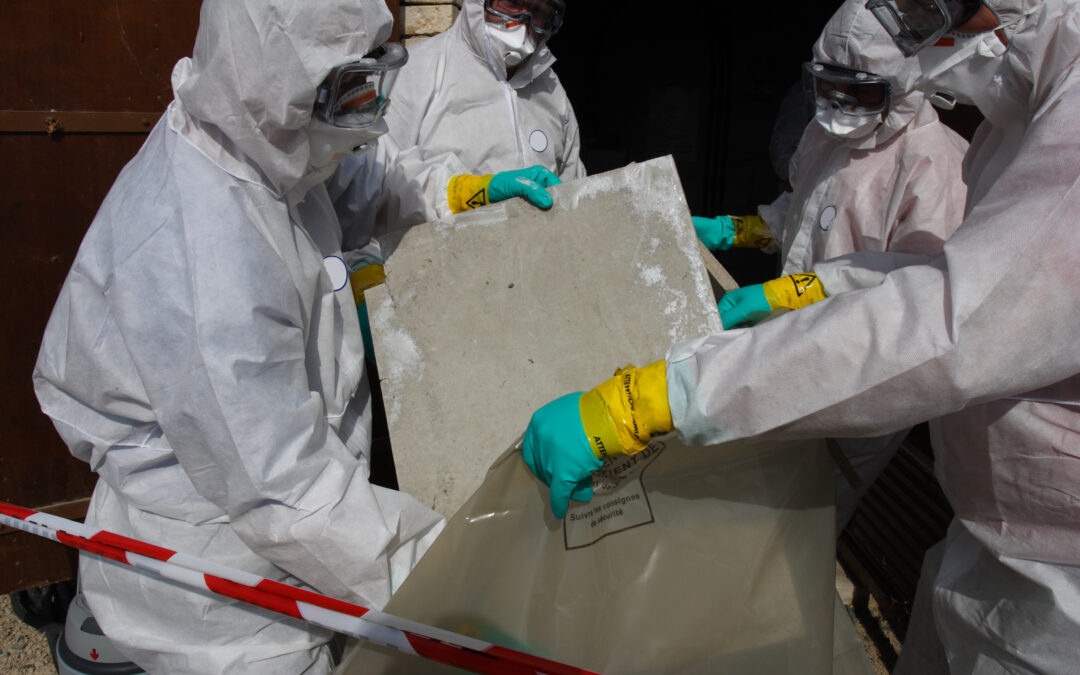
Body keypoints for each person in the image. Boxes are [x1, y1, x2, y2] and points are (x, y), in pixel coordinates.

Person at [521, 0, 1080, 672]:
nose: (921, 26)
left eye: (929, 8)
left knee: (788, 534)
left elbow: (949, 324)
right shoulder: (1023, 111)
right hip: (987, 534)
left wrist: (657, 397)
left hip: (1056, 579)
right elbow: (921, 270)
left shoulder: (956, 150)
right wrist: (781, 266)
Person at [31, 1, 449, 672]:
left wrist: (461, 189)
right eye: (348, 89)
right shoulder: (204, 258)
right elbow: (289, 492)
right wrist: (457, 582)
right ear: (275, 83)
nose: (366, 112)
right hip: (220, 600)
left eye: (373, 75)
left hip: (276, 539)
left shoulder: (260, 143)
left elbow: (353, 178)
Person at [694, 1, 970, 531]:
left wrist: (791, 293)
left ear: (904, 85)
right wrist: (737, 230)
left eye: (862, 92)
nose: (841, 103)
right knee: (754, 492)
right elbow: (804, 210)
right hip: (790, 342)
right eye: (829, 86)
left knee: (807, 516)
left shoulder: (934, 163)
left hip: (863, 372)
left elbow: (916, 287)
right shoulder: (827, 135)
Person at [366, 0, 584, 229]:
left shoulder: (551, 91)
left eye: (538, 11)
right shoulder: (415, 72)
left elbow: (575, 191)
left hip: (537, 258)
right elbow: (376, 189)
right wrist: (470, 193)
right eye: (512, 3)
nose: (523, 21)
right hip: (438, 259)